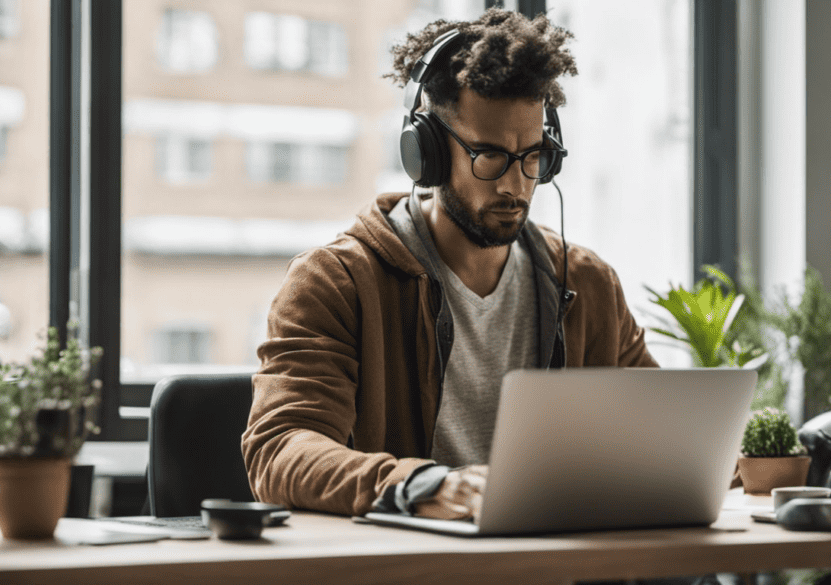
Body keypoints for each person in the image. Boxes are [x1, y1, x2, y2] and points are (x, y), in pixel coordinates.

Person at [242, 8, 658, 521]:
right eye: (489, 156)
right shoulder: (336, 282)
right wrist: (422, 486)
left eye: (533, 156)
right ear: (427, 153)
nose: (516, 185)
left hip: (557, 563)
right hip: (410, 568)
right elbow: (279, 450)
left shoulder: (587, 282)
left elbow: (659, 437)